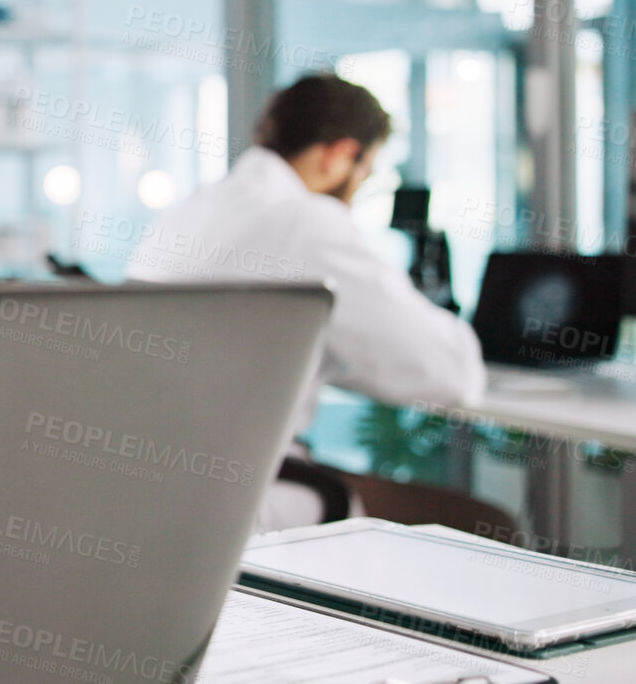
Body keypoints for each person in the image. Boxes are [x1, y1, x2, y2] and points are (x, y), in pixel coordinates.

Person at [124, 73, 486, 531]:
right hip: (239, 493)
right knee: (484, 520)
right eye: (366, 173)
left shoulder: (189, 209)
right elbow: (451, 375)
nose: (357, 191)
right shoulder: (305, 221)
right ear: (340, 155)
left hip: (151, 481)